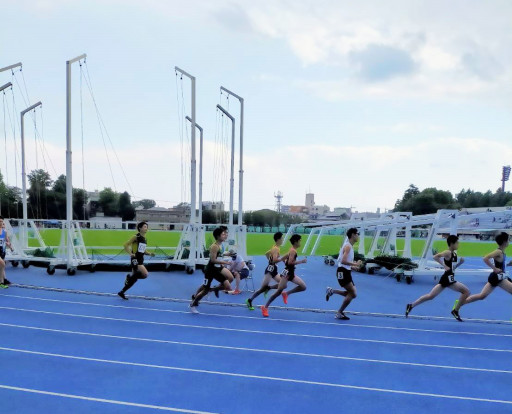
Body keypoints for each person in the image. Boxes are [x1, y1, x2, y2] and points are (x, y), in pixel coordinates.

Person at [405, 235, 470, 322]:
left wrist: (460, 263)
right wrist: (444, 265)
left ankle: (411, 305)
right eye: (457, 243)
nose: (458, 245)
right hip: (448, 278)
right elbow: (435, 257)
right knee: (466, 292)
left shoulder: (454, 254)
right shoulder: (447, 252)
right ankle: (455, 310)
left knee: (431, 296)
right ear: (452, 244)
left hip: (448, 278)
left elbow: (452, 268)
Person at [460, 232, 512, 307]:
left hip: (496, 277)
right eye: (508, 240)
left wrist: (508, 264)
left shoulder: (501, 252)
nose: (509, 241)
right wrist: (494, 268)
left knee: (482, 296)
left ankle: (460, 303)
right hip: (499, 278)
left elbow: (499, 263)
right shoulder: (499, 251)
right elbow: (485, 258)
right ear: (504, 241)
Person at [261, 234, 307, 318]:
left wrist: (285, 260)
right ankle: (265, 307)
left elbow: (286, 261)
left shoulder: (292, 250)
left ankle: (286, 293)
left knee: (303, 287)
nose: (301, 242)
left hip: (291, 273)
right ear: (296, 242)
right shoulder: (293, 251)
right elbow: (289, 263)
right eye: (300, 240)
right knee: (278, 292)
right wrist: (301, 261)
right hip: (287, 273)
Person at [190, 227, 234, 313]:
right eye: (223, 234)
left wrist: (229, 254)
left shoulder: (221, 245)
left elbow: (220, 254)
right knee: (205, 289)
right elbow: (213, 260)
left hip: (217, 268)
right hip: (211, 270)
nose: (225, 236)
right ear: (218, 236)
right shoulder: (214, 246)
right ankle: (193, 304)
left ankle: (213, 290)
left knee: (228, 285)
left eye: (226, 234)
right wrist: (225, 262)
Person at [325, 228, 362, 320]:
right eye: (357, 234)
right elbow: (343, 260)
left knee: (352, 294)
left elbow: (343, 262)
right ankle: (339, 312)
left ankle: (332, 291)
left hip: (345, 271)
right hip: (342, 272)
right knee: (353, 293)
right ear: (353, 235)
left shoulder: (349, 246)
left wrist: (353, 267)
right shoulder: (348, 246)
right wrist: (355, 264)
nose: (358, 236)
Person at [246, 232, 284, 310]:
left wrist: (270, 260)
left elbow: (266, 254)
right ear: (278, 239)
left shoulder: (275, 247)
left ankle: (269, 288)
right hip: (270, 270)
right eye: (282, 238)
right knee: (262, 289)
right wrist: (283, 259)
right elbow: (274, 261)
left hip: (274, 270)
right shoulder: (276, 248)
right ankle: (249, 300)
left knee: (283, 284)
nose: (283, 240)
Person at [118, 222, 155, 300]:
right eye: (145, 227)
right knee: (145, 274)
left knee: (134, 279)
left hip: (141, 259)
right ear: (140, 228)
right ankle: (129, 278)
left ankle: (122, 292)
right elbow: (125, 245)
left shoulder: (145, 239)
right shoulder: (135, 237)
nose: (146, 228)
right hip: (135, 259)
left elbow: (143, 250)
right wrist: (130, 253)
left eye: (147, 227)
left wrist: (150, 253)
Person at [0, 217, 13, 288]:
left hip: (2, 250)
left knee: (2, 266)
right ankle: (1, 282)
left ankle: (4, 280)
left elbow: (6, 241)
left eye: (2, 222)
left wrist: (10, 247)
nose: (1, 223)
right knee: (2, 264)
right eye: (0, 221)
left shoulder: (4, 232)